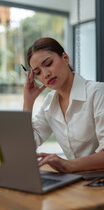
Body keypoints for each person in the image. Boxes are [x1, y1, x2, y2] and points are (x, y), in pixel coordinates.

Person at [23, 37, 104, 173]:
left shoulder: (97, 92)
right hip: (77, 182)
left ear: (65, 58)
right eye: (38, 72)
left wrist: (69, 165)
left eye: (48, 64)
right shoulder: (49, 103)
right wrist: (28, 103)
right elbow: (26, 146)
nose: (46, 74)